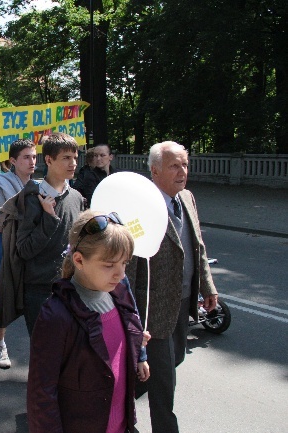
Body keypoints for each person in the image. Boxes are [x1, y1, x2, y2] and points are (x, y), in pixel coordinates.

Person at [28, 210, 150, 433]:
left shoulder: (119, 295)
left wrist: (136, 343)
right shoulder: (56, 315)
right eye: (109, 265)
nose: (120, 274)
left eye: (124, 263)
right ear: (79, 260)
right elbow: (42, 395)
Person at [126, 141, 218, 433]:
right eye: (174, 166)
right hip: (152, 309)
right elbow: (131, 264)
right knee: (165, 382)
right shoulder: (140, 207)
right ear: (154, 171)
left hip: (183, 301)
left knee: (172, 360)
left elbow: (197, 246)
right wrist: (128, 312)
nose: (182, 172)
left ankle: (115, 402)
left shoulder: (187, 198)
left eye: (185, 165)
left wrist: (208, 287)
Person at [10, 132, 84, 335]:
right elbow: (24, 250)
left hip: (71, 287)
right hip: (40, 291)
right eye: (66, 158)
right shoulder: (32, 197)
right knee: (44, 356)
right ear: (49, 160)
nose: (73, 163)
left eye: (75, 158)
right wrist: (49, 219)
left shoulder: (76, 197)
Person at [0, 139, 37, 369]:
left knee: (36, 304)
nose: (32, 161)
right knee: (4, 302)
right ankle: (0, 344)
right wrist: (13, 212)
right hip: (6, 252)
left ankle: (40, 349)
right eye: (26, 157)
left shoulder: (39, 188)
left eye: (34, 156)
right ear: (13, 161)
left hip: (32, 254)